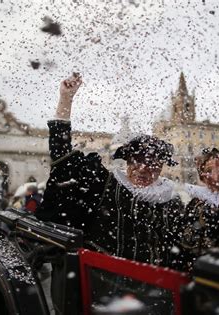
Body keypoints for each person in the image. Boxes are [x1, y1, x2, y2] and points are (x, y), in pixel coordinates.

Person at [36, 73, 183, 267]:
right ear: (127, 161)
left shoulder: (171, 202)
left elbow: (180, 250)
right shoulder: (105, 184)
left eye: (152, 164)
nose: (143, 168)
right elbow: (63, 158)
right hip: (102, 279)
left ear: (161, 167)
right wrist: (65, 100)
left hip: (156, 286)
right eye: (137, 160)